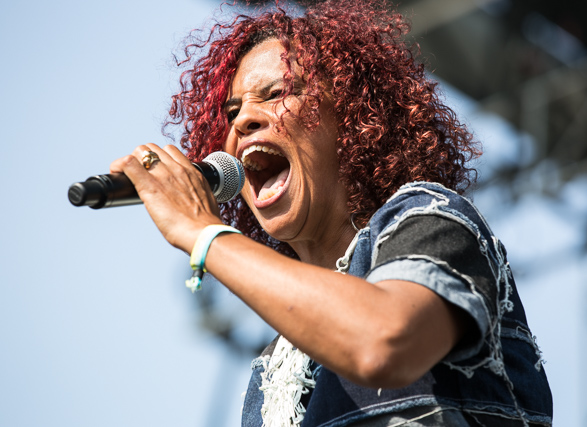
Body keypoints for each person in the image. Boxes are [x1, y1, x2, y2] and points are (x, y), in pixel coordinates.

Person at [109, 0, 553, 425]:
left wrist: (204, 233)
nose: (242, 120)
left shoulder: (431, 218)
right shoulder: (275, 368)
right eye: (231, 111)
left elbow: (383, 342)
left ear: (353, 117)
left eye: (276, 93)